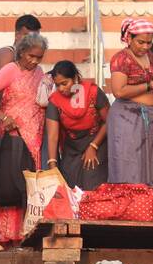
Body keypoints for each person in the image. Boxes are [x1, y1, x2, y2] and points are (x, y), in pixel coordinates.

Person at [0, 32, 48, 246]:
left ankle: (28, 236)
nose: (34, 61)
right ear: (22, 52)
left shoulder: (40, 73)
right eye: (31, 56)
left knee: (30, 188)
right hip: (13, 138)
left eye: (39, 57)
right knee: (10, 186)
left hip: (35, 140)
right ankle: (7, 238)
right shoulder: (10, 69)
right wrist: (3, 117)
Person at [107, 18, 153, 194]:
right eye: (141, 42)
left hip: (148, 119)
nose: (145, 46)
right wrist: (149, 86)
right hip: (127, 119)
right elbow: (119, 91)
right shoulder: (121, 59)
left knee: (149, 165)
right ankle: (128, 211)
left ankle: (146, 211)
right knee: (129, 165)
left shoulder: (150, 57)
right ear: (129, 38)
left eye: (149, 42)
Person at [44, 60, 110, 192]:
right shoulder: (55, 101)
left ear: (75, 78)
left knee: (92, 181)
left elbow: (109, 121)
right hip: (72, 147)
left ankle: (93, 212)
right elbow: (52, 136)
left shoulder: (93, 92)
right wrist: (52, 164)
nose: (61, 89)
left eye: (65, 83)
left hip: (97, 141)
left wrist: (93, 146)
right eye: (58, 85)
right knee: (70, 185)